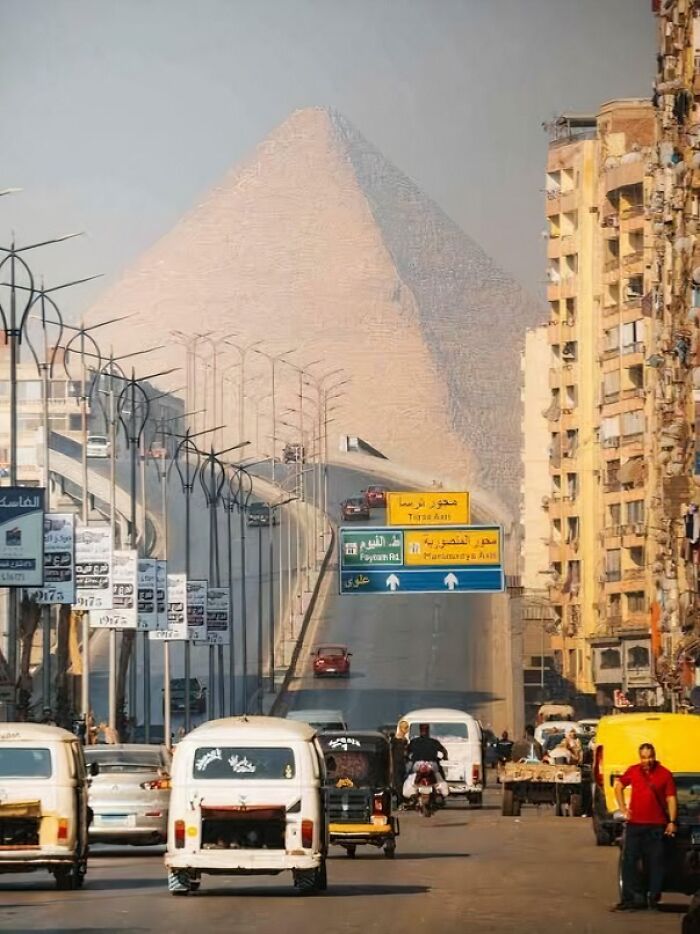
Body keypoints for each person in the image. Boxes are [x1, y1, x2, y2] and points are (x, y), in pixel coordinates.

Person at [613, 742, 678, 912]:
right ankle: (630, 899)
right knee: (629, 862)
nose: (647, 761)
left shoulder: (665, 774)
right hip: (635, 825)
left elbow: (671, 798)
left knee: (656, 864)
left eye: (650, 757)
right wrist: (623, 808)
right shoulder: (633, 771)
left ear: (654, 756)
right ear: (639, 757)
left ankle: (653, 899)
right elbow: (618, 785)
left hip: (656, 826)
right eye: (643, 757)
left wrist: (672, 821)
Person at [403, 724, 449, 800]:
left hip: (417, 764)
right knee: (440, 775)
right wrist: (445, 757)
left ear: (420, 730)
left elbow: (406, 752)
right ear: (428, 731)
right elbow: (444, 751)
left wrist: (407, 758)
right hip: (432, 764)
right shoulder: (434, 742)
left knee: (409, 775)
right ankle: (440, 793)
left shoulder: (414, 741)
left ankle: (408, 795)